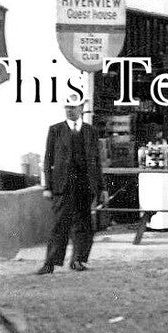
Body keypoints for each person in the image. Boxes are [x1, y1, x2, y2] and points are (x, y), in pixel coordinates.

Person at [39, 98, 104, 273]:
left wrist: (101, 187)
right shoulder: (56, 130)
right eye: (67, 107)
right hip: (63, 185)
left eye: (73, 107)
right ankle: (50, 263)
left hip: (84, 185)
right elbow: (48, 160)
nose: (69, 110)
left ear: (81, 108)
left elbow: (97, 161)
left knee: (84, 224)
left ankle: (78, 260)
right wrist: (47, 187)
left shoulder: (91, 131)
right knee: (59, 224)